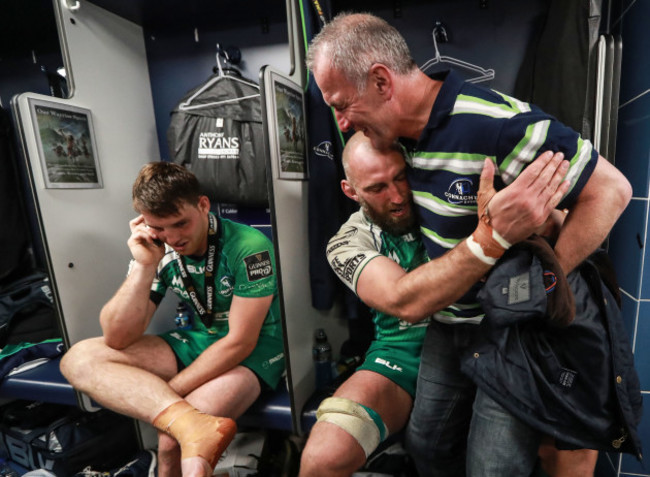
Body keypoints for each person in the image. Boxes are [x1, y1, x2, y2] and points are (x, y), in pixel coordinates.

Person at [306, 12, 632, 477]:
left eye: (341, 105)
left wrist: (541, 281)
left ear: (381, 80)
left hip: (508, 333)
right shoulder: (402, 142)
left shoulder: (495, 124)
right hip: (447, 327)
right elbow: (402, 293)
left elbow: (612, 191)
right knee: (427, 444)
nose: (339, 122)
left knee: (493, 466)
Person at [299, 132, 571, 477]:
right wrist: (490, 236)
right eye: (377, 188)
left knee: (547, 450)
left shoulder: (451, 199)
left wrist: (545, 217)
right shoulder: (347, 241)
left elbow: (554, 225)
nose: (397, 197)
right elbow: (404, 299)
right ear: (351, 191)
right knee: (323, 457)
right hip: (402, 350)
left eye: (401, 177)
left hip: (493, 339)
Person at [60, 162, 285, 477]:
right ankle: (192, 424)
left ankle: (185, 428)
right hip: (200, 340)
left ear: (203, 205)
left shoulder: (250, 248)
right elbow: (117, 337)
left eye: (181, 223)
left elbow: (240, 341)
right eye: (160, 227)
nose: (173, 238)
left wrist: (169, 392)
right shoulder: (158, 248)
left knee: (170, 440)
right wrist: (143, 266)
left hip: (256, 350)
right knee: (78, 358)